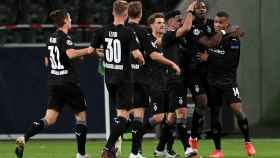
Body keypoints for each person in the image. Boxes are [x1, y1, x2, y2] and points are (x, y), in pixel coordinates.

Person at [15, 9, 94, 158]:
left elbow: (47, 61)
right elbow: (70, 54)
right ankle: (81, 154)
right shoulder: (66, 38)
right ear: (65, 20)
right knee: (81, 118)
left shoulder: (50, 38)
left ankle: (24, 138)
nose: (71, 20)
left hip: (54, 84)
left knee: (49, 119)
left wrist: (68, 59)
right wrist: (88, 50)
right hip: (69, 83)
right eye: (69, 18)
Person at [125, 1, 182, 158]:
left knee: (172, 117)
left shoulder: (168, 39)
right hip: (153, 82)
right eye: (158, 23)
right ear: (151, 25)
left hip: (168, 82)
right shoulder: (146, 38)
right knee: (158, 117)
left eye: (163, 23)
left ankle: (163, 149)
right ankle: (138, 137)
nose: (162, 25)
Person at [90, 1, 145, 158]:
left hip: (110, 79)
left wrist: (103, 54)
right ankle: (108, 149)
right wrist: (142, 60)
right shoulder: (128, 32)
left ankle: (112, 149)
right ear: (126, 14)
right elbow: (137, 55)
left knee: (120, 115)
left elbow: (92, 51)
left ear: (113, 12)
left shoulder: (102, 30)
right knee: (123, 115)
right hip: (124, 80)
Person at [200, 11, 256, 158]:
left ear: (227, 24)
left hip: (228, 81)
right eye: (215, 22)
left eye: (220, 22)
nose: (217, 25)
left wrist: (210, 56)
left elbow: (229, 61)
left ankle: (248, 142)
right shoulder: (212, 36)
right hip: (212, 81)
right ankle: (218, 150)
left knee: (237, 110)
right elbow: (206, 46)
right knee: (214, 114)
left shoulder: (234, 38)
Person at [158, 2, 199, 157]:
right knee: (181, 113)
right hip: (173, 80)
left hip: (180, 80)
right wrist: (190, 11)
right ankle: (188, 149)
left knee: (171, 118)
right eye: (178, 19)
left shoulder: (180, 40)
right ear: (170, 22)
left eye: (181, 19)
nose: (181, 21)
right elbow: (187, 28)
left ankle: (160, 148)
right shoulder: (168, 36)